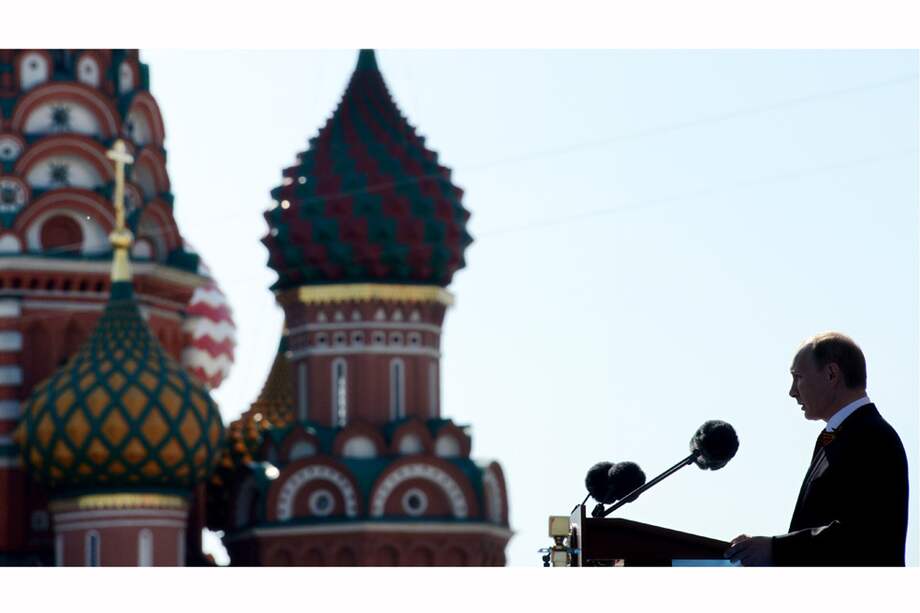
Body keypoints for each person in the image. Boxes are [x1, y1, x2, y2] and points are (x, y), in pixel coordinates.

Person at [725, 332, 909, 566]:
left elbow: (862, 536)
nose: (792, 391)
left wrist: (774, 549)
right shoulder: (836, 436)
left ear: (832, 374)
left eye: (798, 377)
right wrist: (763, 551)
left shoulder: (874, 437)